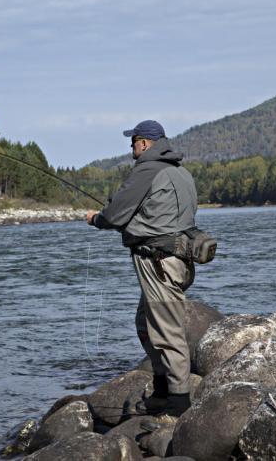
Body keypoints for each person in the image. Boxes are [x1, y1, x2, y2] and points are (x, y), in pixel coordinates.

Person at [86, 120, 198, 417]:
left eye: (133, 141)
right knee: (144, 323)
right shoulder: (181, 172)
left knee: (167, 333)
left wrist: (96, 219)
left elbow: (115, 214)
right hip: (178, 262)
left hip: (157, 263)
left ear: (145, 143)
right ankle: (162, 389)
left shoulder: (147, 169)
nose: (131, 147)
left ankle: (179, 404)